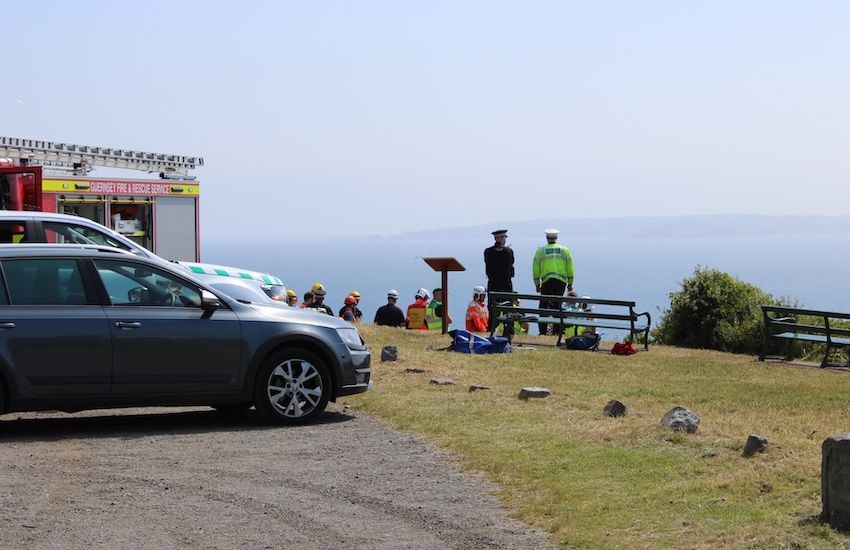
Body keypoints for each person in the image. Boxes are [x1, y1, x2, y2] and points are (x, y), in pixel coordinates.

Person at [532, 228, 574, 335]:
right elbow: (570, 267)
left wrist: (537, 284)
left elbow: (535, 269)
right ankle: (556, 332)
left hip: (546, 282)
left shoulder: (540, 251)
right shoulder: (565, 250)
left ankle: (542, 332)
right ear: (556, 238)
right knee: (557, 306)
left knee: (543, 306)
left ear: (547, 238)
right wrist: (570, 282)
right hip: (560, 282)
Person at [484, 228, 515, 334]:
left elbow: (488, 267)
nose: (504, 239)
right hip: (506, 283)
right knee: (507, 307)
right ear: (500, 238)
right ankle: (508, 329)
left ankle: (491, 327)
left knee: (493, 307)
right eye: (504, 237)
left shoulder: (488, 251)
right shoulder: (508, 251)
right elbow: (511, 267)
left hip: (493, 282)